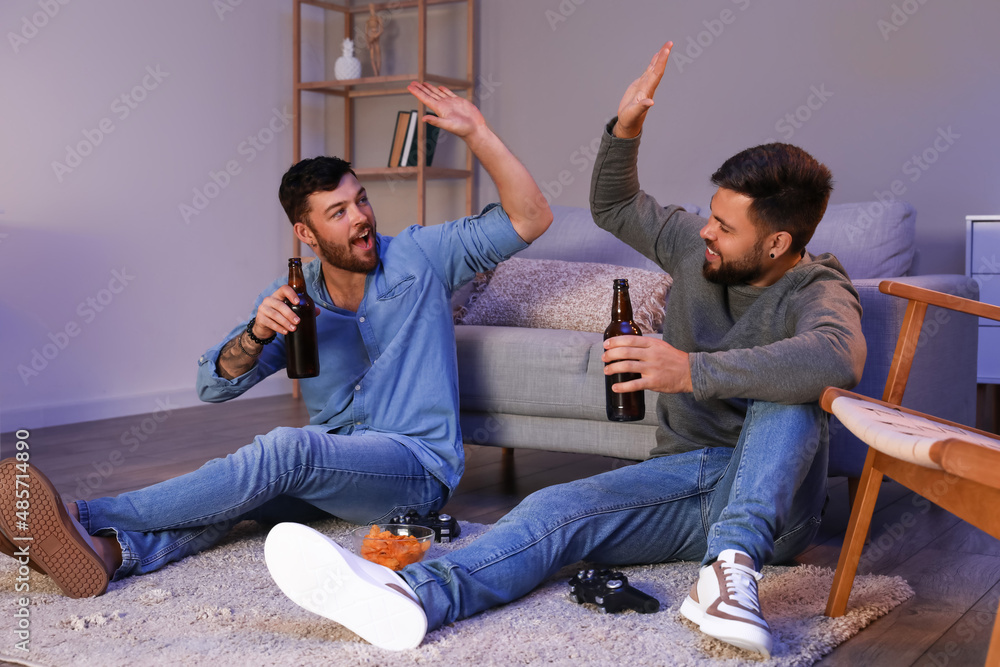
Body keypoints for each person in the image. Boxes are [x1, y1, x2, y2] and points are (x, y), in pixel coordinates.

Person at [262, 41, 866, 657]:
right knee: (554, 507)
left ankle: (733, 573)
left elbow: (836, 357)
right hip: (685, 483)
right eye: (710, 216)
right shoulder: (694, 247)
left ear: (777, 243)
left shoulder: (818, 290)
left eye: (725, 228)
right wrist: (626, 128)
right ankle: (413, 595)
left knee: (795, 387)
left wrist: (691, 371)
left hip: (776, 510)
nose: (705, 230)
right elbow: (615, 205)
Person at [0, 81, 552, 600]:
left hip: (414, 469)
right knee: (236, 498)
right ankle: (107, 553)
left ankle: (84, 515)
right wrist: (257, 333)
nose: (361, 218)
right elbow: (211, 386)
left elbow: (532, 217)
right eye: (339, 212)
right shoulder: (293, 298)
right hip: (335, 460)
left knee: (285, 451)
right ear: (306, 234)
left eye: (360, 200)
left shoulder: (421, 255)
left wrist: (477, 131)